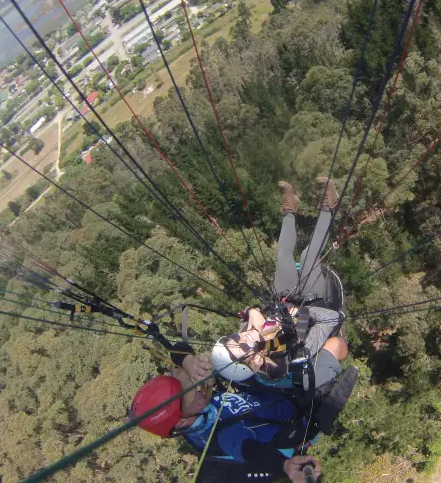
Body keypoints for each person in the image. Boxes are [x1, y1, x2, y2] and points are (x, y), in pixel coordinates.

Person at [210, 177, 348, 389]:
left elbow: (250, 315)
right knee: (308, 255)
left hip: (286, 296)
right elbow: (332, 319)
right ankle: (328, 208)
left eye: (234, 336)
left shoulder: (249, 330)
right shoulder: (292, 358)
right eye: (242, 344)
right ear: (255, 362)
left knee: (284, 255)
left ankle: (289, 211)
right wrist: (300, 316)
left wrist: (253, 310)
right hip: (314, 302)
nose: (243, 334)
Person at [130, 346, 322, 483]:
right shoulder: (221, 436)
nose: (197, 389)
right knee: (333, 348)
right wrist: (286, 466)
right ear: (181, 422)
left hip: (277, 392)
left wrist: (188, 362)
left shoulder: (197, 411)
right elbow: (251, 451)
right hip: (302, 413)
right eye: (188, 393)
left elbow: (176, 349)